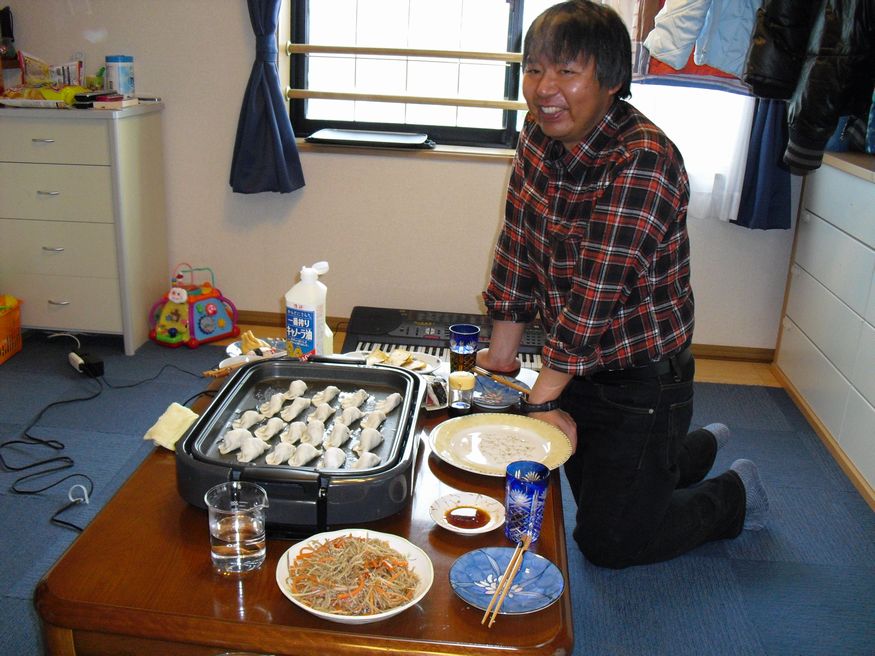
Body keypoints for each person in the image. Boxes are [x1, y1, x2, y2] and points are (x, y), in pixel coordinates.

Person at [478, 0, 769, 569]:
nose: (544, 88)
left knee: (608, 543)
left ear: (611, 80)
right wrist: (502, 360)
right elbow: (516, 244)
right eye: (534, 69)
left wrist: (541, 400)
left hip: (643, 378)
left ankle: (734, 494)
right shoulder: (537, 135)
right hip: (577, 363)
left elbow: (595, 294)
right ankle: (688, 450)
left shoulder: (643, 159)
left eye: (567, 71)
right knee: (583, 476)